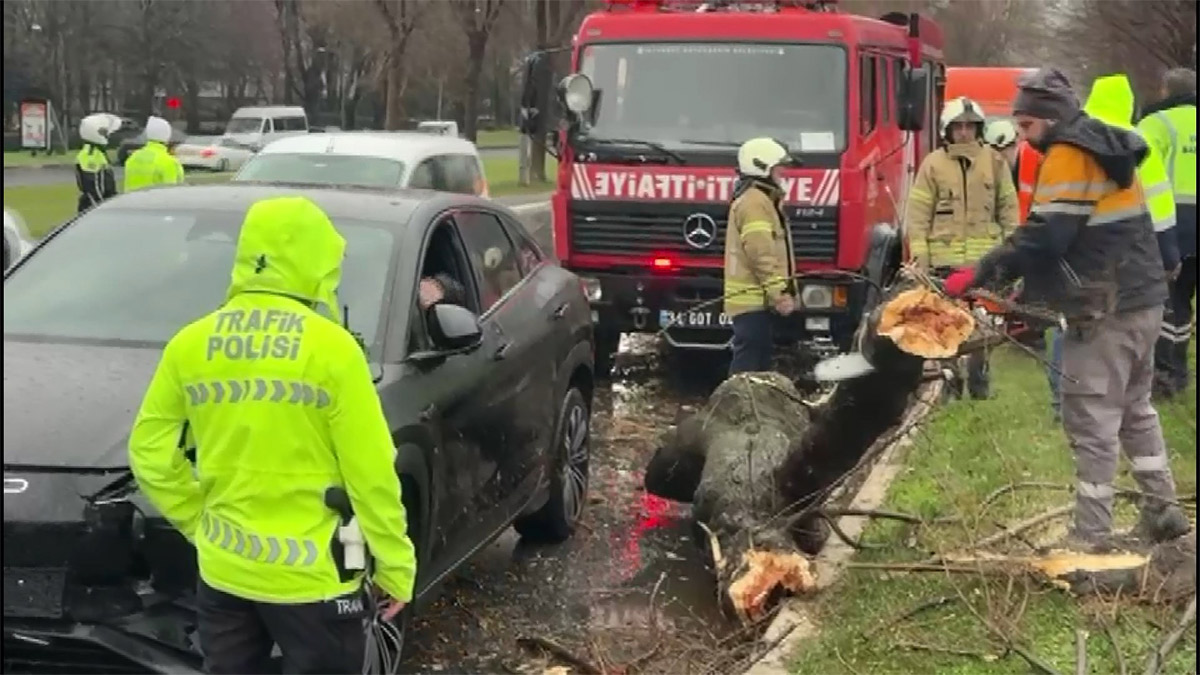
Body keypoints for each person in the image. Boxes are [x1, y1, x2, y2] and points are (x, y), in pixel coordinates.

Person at [128, 196, 417, 673]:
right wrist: (395, 565)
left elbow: (151, 454)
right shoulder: (333, 350)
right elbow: (371, 475)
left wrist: (200, 523)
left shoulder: (191, 343)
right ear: (316, 260)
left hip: (225, 574)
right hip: (315, 582)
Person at [944, 68, 1191, 552]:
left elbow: (1048, 234)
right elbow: (1079, 235)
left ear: (1051, 119)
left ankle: (1091, 535)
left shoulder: (1068, 155)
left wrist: (983, 271)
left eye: (1027, 127)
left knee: (1091, 418)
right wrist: (1025, 294)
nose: (1023, 138)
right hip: (1142, 300)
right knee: (1136, 409)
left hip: (1105, 307)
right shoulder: (1109, 147)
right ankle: (1163, 510)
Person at [906, 96, 1020, 399]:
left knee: (983, 331)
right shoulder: (932, 165)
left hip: (986, 265)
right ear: (948, 130)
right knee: (946, 331)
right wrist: (921, 259)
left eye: (971, 126)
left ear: (979, 128)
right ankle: (949, 389)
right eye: (959, 127)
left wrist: (1013, 257)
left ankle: (980, 389)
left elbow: (1009, 212)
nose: (966, 132)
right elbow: (918, 218)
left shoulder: (995, 163)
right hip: (944, 268)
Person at [1139, 67, 1197, 399]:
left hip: (1174, 228)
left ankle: (1169, 375)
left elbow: (1141, 176)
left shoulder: (1155, 125)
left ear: (1165, 92)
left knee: (1171, 302)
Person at [723, 137, 797, 376]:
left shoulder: (762, 200)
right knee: (748, 366)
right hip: (751, 301)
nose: (782, 173)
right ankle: (735, 409)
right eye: (778, 168)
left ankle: (752, 410)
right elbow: (760, 254)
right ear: (762, 168)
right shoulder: (755, 203)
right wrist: (778, 294)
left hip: (756, 301)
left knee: (758, 365)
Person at [124, 115, 185, 192]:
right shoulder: (170, 162)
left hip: (130, 202)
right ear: (167, 136)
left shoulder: (133, 158)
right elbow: (172, 193)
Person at [75, 113, 119, 214]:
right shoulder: (91, 155)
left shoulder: (95, 152)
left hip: (96, 204)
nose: (107, 136)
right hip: (94, 206)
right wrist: (104, 207)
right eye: (104, 133)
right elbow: (95, 188)